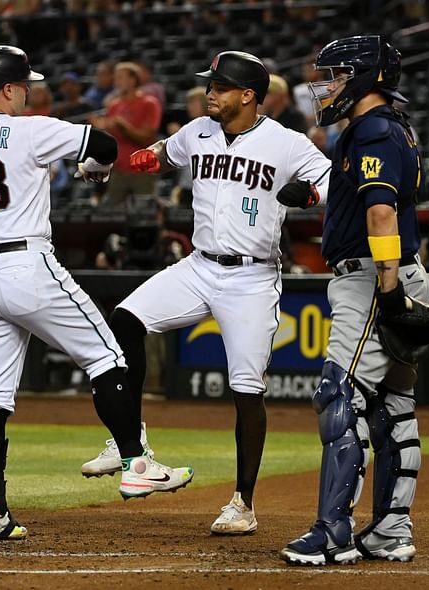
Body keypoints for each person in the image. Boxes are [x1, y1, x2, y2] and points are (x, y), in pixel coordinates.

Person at [0, 45, 193, 540]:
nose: (28, 92)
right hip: (27, 264)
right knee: (109, 357)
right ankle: (135, 463)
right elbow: (105, 145)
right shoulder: (32, 128)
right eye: (24, 85)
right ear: (7, 89)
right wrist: (97, 172)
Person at [83, 50, 331, 536]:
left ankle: (244, 502)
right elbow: (158, 153)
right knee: (124, 321)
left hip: (252, 278)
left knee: (246, 391)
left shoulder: (285, 143)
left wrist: (310, 195)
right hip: (198, 266)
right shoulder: (197, 131)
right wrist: (121, 162)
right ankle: (130, 443)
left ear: (248, 95)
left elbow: (332, 181)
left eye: (219, 87)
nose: (209, 93)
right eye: (209, 86)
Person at [279, 35, 429, 566]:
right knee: (394, 405)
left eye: (337, 75)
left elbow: (382, 213)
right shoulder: (384, 130)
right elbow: (369, 193)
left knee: (338, 394)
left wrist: (387, 290)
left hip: (372, 277)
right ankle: (391, 529)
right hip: (392, 273)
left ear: (364, 79)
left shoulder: (371, 129)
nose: (326, 86)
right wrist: (319, 194)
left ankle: (332, 529)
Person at [88, 61, 162, 205]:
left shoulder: (149, 103)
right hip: (118, 170)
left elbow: (147, 138)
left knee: (143, 215)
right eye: (115, 78)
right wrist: (99, 127)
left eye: (121, 77)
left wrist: (124, 128)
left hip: (142, 170)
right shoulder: (114, 105)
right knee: (111, 215)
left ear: (133, 79)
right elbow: (109, 136)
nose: (116, 81)